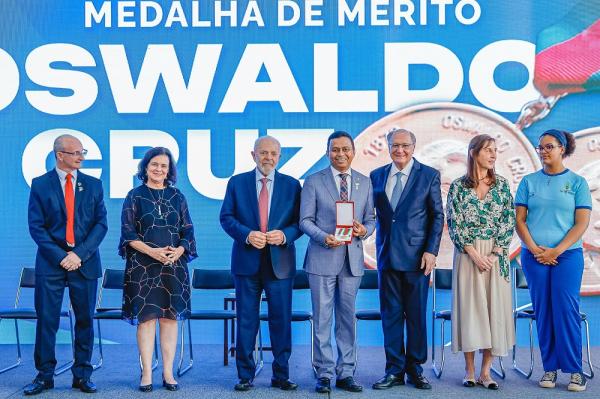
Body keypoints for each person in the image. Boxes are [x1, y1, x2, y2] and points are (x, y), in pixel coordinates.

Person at [26, 134, 107, 395]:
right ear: (60, 155)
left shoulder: (94, 185)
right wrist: (61, 256)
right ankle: (44, 375)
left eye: (82, 152)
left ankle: (82, 375)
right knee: (47, 320)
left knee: (84, 320)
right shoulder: (40, 185)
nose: (81, 157)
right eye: (76, 153)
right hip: (51, 264)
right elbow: (36, 227)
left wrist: (78, 255)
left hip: (84, 263)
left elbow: (100, 225)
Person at [220, 136, 302, 392]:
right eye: (263, 153)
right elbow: (226, 217)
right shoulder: (237, 182)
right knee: (246, 320)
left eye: (273, 154)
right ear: (253, 155)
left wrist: (285, 235)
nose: (268, 158)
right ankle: (245, 375)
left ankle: (281, 375)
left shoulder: (292, 185)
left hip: (281, 264)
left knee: (281, 320)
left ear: (280, 156)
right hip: (246, 263)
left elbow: (301, 221)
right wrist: (246, 234)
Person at [515, 129, 592, 392]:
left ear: (562, 149)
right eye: (541, 147)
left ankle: (575, 371)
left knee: (566, 309)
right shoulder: (528, 182)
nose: (544, 151)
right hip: (534, 256)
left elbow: (581, 223)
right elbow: (520, 221)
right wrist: (536, 249)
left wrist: (555, 251)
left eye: (549, 147)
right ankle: (549, 369)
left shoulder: (578, 183)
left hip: (567, 256)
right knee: (544, 311)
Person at [300, 131, 376, 394]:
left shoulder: (365, 183)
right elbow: (305, 221)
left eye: (345, 149)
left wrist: (363, 231)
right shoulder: (313, 181)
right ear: (327, 152)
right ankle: (324, 373)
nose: (340, 154)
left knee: (347, 319)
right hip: (322, 258)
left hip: (352, 261)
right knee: (322, 319)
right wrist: (324, 238)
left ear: (353, 152)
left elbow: (371, 220)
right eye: (335, 150)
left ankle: (346, 373)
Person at [370, 127, 443, 391]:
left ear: (414, 147)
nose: (400, 150)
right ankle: (394, 370)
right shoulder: (376, 175)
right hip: (387, 255)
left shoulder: (429, 175)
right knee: (390, 316)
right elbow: (372, 214)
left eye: (405, 145)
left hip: (417, 259)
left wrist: (431, 251)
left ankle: (415, 369)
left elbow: (437, 216)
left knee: (415, 316)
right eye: (394, 145)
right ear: (388, 147)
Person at [119, 147, 196, 392]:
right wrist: (153, 252)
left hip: (173, 267)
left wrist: (180, 251)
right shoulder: (134, 196)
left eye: (164, 166)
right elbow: (128, 234)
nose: (159, 169)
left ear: (169, 170)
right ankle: (146, 374)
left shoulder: (178, 196)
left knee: (170, 320)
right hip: (143, 268)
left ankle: (168, 373)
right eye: (154, 164)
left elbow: (188, 231)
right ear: (145, 167)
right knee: (146, 321)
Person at [446, 134, 516, 390]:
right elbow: (454, 222)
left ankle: (487, 371)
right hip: (468, 255)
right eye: (488, 150)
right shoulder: (457, 186)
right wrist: (474, 254)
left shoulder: (502, 185)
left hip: (496, 256)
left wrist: (495, 253)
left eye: (495, 150)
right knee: (471, 311)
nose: (493, 154)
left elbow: (509, 221)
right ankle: (470, 370)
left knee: (493, 311)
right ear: (474, 153)